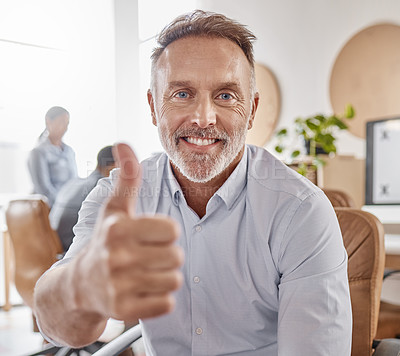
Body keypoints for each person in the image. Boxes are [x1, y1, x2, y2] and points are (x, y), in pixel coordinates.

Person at [34, 10, 352, 355]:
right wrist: (81, 287)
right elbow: (56, 325)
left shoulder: (300, 210)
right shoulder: (120, 196)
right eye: (182, 94)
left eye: (226, 96)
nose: (203, 118)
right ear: (154, 106)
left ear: (252, 110)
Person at [49, 146, 116, 251]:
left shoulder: (74, 182)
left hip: (55, 240)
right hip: (70, 244)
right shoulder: (100, 186)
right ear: (113, 166)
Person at [28, 106, 78, 207]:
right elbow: (44, 190)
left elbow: (74, 181)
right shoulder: (38, 152)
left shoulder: (69, 151)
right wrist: (63, 205)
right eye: (61, 122)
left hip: (70, 206)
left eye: (67, 123)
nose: (65, 127)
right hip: (50, 207)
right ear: (48, 122)